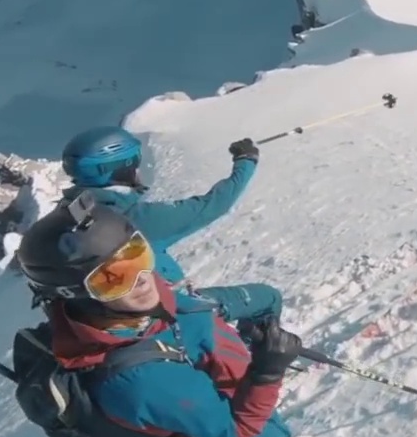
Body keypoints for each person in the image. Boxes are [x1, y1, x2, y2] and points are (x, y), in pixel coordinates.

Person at [13, 191, 306, 437]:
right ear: (78, 296)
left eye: (137, 254)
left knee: (266, 298)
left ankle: (256, 356)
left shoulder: (133, 307)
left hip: (189, 324)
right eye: (112, 278)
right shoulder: (141, 382)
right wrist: (266, 373)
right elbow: (235, 431)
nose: (142, 279)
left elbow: (169, 305)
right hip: (244, 422)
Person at [58, 125, 284, 329]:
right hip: (167, 313)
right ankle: (253, 356)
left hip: (106, 316)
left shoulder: (67, 215)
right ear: (121, 168)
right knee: (269, 297)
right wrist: (246, 161)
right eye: (135, 161)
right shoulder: (134, 220)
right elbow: (213, 205)